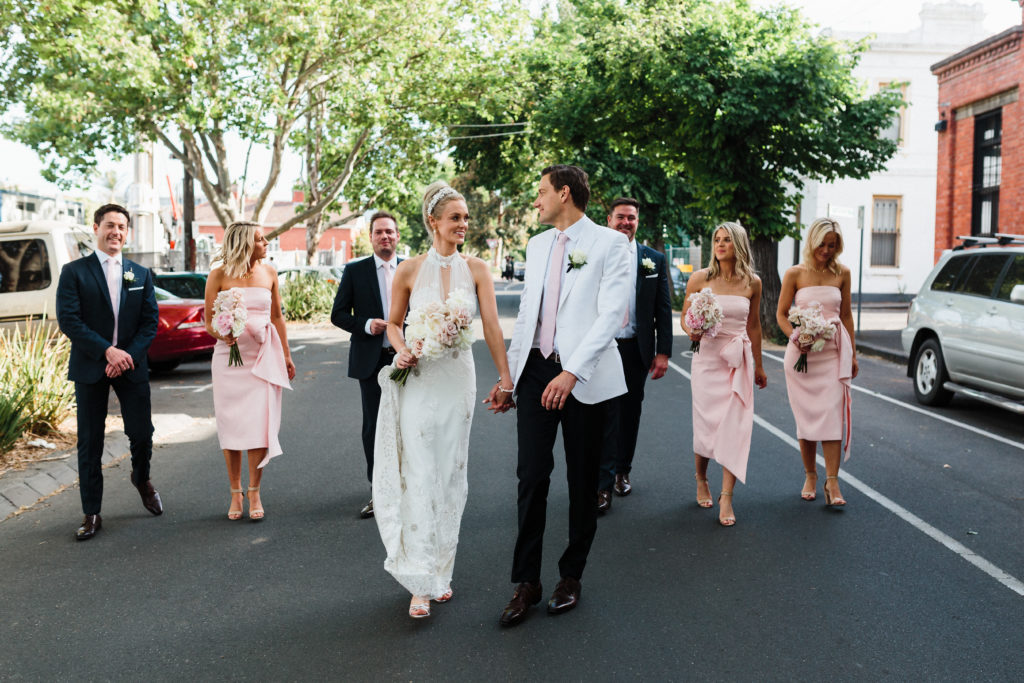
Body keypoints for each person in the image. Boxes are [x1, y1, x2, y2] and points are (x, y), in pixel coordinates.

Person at [498, 165, 631, 627]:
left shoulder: (611, 243)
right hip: (536, 371)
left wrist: (572, 372)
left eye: (540, 192)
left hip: (586, 378)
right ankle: (525, 582)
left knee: (582, 482)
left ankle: (570, 576)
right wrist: (510, 379)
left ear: (564, 193)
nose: (536, 201)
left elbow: (612, 314)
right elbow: (527, 318)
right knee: (531, 476)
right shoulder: (536, 246)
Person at [373, 181, 514, 619]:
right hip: (419, 377)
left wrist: (506, 377)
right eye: (455, 217)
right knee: (419, 471)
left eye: (466, 217)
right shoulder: (409, 270)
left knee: (451, 475)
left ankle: (441, 571)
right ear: (433, 222)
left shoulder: (478, 269)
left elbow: (490, 326)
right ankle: (419, 581)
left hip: (458, 380)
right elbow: (394, 324)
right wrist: (401, 348)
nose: (463, 224)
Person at [56, 203, 162, 540]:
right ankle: (92, 513)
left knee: (142, 433)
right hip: (91, 365)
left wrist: (125, 356)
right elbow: (69, 320)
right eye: (110, 225)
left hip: (131, 366)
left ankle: (141, 477)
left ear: (127, 232)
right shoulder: (74, 272)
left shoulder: (141, 274)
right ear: (96, 228)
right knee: (90, 442)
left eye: (122, 227)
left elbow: (150, 323)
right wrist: (107, 350)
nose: (116, 231)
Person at [204, 222, 295, 522]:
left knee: (259, 424)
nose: (266, 241)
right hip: (229, 360)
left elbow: (277, 316)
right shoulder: (218, 274)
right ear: (244, 243)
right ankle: (235, 492)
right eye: (260, 238)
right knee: (231, 426)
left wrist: (286, 354)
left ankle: (254, 490)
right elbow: (209, 322)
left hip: (262, 356)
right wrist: (223, 334)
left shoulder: (269, 273)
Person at [682, 222, 767, 526]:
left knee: (735, 425)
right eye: (717, 239)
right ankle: (701, 477)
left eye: (727, 240)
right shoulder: (699, 278)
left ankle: (727, 496)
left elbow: (754, 326)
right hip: (706, 358)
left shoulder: (752, 283)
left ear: (739, 245)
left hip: (738, 359)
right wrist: (691, 330)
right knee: (706, 424)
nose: (719, 244)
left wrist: (758, 364)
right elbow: (685, 317)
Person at [596, 198, 673, 513]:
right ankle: (602, 483)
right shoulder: (595, 254)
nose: (626, 222)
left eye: (632, 218)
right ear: (609, 219)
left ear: (637, 221)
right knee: (605, 414)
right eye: (620, 217)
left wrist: (663, 352)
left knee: (629, 412)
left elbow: (663, 308)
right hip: (602, 347)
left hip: (635, 348)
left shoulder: (652, 259)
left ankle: (622, 470)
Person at [776, 217, 858, 507]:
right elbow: (782, 314)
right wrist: (796, 338)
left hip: (834, 353)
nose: (826, 250)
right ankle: (811, 475)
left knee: (832, 417)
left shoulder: (843, 273)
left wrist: (853, 355)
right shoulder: (795, 273)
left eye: (832, 245)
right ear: (812, 241)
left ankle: (833, 482)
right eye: (822, 244)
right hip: (803, 357)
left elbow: (846, 316)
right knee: (807, 419)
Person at [330, 212, 402, 519]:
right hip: (371, 361)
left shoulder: (411, 268)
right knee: (374, 427)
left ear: (397, 235)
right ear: (370, 237)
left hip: (407, 360)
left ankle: (408, 489)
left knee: (408, 426)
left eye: (389, 231)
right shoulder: (355, 270)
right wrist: (367, 324)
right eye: (379, 232)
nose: (384, 236)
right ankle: (378, 492)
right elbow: (338, 314)